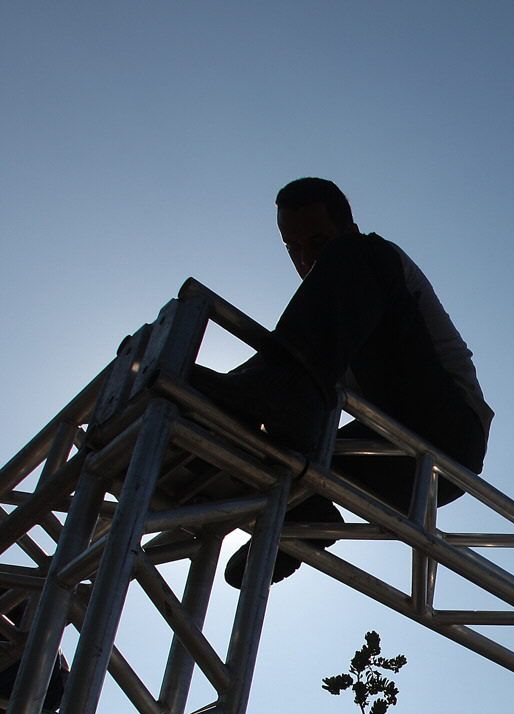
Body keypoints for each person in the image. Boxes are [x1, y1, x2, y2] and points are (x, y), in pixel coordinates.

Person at [190, 177, 494, 587]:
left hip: (450, 429)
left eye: (316, 242)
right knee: (276, 434)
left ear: (346, 227)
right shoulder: (334, 312)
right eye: (292, 249)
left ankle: (264, 392)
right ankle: (307, 511)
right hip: (391, 461)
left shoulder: (371, 258)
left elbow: (305, 362)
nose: (305, 259)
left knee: (292, 386)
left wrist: (250, 392)